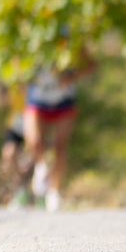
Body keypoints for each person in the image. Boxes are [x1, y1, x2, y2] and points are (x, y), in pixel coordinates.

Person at [23, 51, 96, 211]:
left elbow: (91, 65)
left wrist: (72, 77)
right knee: (35, 142)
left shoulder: (71, 42)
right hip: (37, 101)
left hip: (64, 102)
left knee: (60, 148)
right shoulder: (27, 39)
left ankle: (54, 191)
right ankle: (41, 167)